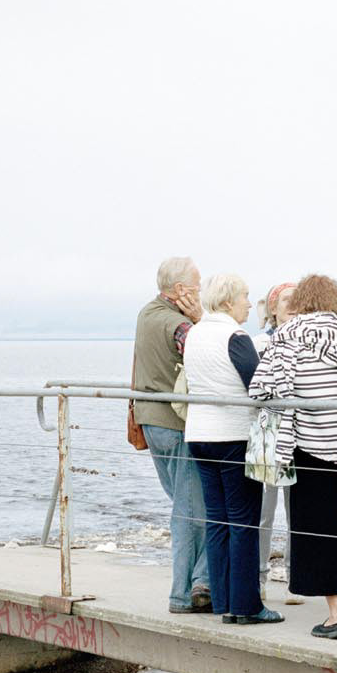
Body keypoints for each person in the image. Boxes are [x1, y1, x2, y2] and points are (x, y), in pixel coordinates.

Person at [248, 274, 337, 639]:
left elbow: (261, 388)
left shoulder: (288, 336)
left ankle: (335, 615)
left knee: (319, 530)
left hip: (314, 445)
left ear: (301, 302)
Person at [184, 273, 282, 625]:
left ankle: (223, 599)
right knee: (243, 521)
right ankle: (246, 605)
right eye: (244, 296)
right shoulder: (235, 336)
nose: (247, 302)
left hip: (198, 433)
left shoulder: (195, 333)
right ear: (228, 301)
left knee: (217, 519)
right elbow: (257, 385)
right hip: (233, 435)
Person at [133, 256, 211, 614]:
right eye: (196, 289)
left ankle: (201, 582)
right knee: (192, 511)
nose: (199, 294)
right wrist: (201, 320)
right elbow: (208, 353)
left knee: (187, 505)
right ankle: (185, 593)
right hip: (177, 424)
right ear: (181, 291)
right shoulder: (178, 325)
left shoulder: (146, 314)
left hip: (150, 421)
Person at [253, 281, 297, 591]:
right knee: (263, 513)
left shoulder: (308, 339)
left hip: (299, 433)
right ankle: (260, 578)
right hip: (267, 432)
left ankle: (297, 577)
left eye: (297, 298)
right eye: (285, 299)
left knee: (297, 514)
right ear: (273, 307)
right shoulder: (258, 342)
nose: (292, 303)